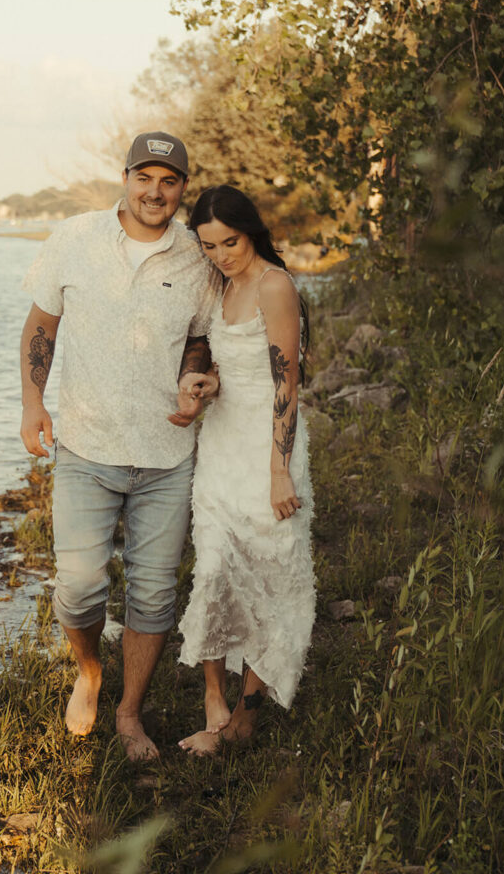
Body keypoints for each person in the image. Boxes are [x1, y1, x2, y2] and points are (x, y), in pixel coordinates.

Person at [19, 132, 220, 761]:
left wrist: (195, 378)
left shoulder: (197, 256)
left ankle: (130, 713)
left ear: (183, 188)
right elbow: (41, 325)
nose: (155, 192)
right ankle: (89, 670)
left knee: (154, 592)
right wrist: (32, 404)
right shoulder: (74, 239)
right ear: (125, 176)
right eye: (145, 178)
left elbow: (201, 338)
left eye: (169, 182)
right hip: (85, 446)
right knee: (78, 586)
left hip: (167, 454)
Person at [173, 185, 315, 756]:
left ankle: (246, 717)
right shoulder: (221, 286)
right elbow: (230, 365)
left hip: (267, 450)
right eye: (208, 246)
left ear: (250, 230)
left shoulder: (275, 285)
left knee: (269, 577)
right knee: (212, 568)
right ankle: (214, 700)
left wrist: (279, 472)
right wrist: (206, 386)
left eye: (229, 241)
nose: (222, 255)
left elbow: (286, 382)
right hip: (221, 444)